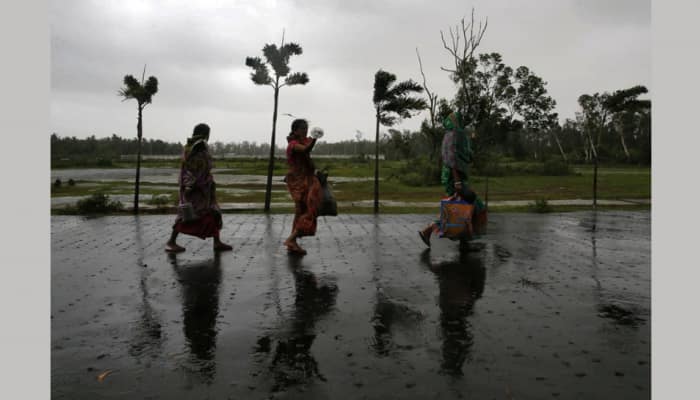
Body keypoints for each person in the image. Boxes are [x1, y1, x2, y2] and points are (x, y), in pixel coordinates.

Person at [418, 111, 487, 247]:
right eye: (460, 120)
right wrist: (457, 181)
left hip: (453, 178)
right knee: (466, 207)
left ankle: (464, 242)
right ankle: (429, 229)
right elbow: (452, 159)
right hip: (455, 179)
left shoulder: (449, 135)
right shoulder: (456, 135)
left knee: (461, 207)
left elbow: (462, 154)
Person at [165, 123, 233, 253]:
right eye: (208, 133)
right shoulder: (195, 147)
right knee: (187, 215)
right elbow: (193, 168)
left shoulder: (193, 146)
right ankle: (171, 241)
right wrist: (193, 184)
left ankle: (217, 242)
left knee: (213, 212)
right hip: (195, 188)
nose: (209, 136)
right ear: (205, 133)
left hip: (204, 188)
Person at [283, 119, 324, 255]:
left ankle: (292, 242)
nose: (305, 131)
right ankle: (291, 239)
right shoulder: (293, 145)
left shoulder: (303, 142)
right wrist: (315, 138)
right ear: (295, 131)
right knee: (310, 209)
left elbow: (307, 148)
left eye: (306, 128)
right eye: (302, 129)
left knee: (301, 211)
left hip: (306, 180)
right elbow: (306, 149)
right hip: (299, 183)